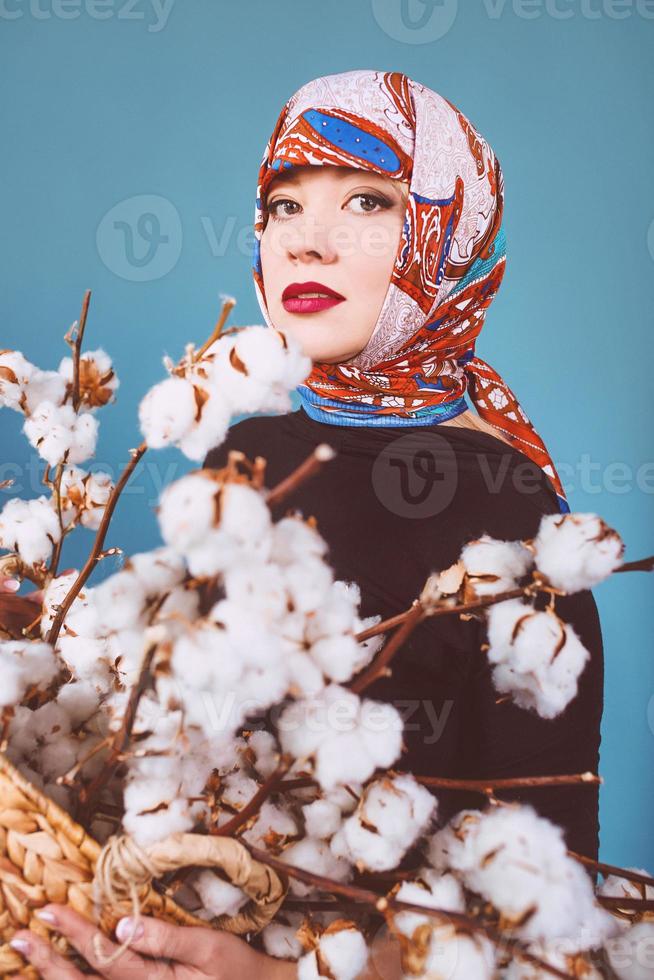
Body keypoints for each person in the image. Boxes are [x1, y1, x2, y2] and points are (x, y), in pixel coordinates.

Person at [10, 70, 603, 979]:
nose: (309, 243)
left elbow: (550, 914)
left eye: (368, 201)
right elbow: (168, 713)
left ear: (453, 235)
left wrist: (289, 978)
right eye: (284, 205)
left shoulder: (515, 513)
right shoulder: (244, 448)